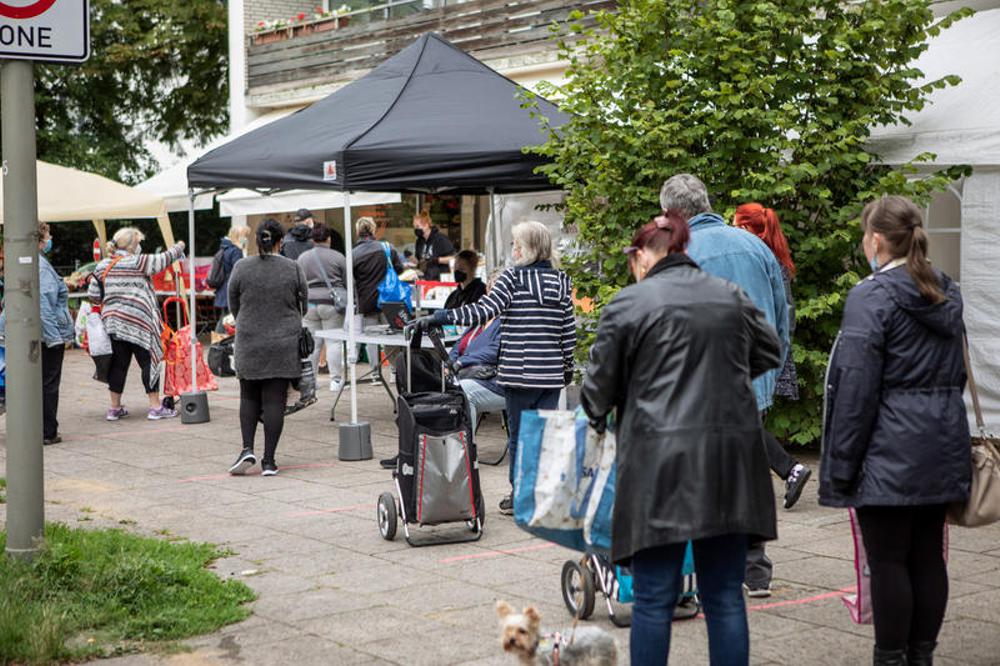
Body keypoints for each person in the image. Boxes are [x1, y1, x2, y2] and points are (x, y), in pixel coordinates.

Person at [581, 210, 781, 666]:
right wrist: (721, 379)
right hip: (729, 461)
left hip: (657, 463)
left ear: (643, 256)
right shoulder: (729, 296)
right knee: (725, 595)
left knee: (653, 597)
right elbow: (769, 349)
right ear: (684, 250)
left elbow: (596, 393)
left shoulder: (629, 304)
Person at [819, 196, 969, 666]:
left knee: (888, 562)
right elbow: (957, 374)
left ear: (877, 239)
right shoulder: (944, 289)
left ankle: (890, 657)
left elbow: (855, 389)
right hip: (940, 443)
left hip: (887, 450)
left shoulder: (871, 296)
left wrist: (841, 466)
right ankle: (920, 655)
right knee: (927, 557)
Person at [660, 174, 789, 599]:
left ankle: (710, 567)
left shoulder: (678, 252)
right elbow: (781, 316)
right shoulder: (755, 246)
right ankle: (755, 569)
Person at [418, 221, 575, 515]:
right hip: (551, 374)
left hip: (518, 373)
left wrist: (440, 316)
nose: (513, 250)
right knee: (544, 435)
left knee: (519, 436)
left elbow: (482, 310)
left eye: (516, 244)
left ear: (527, 248)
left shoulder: (512, 279)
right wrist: (567, 365)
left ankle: (521, 497)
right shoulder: (561, 281)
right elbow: (568, 331)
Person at [733, 203, 812, 509]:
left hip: (756, 350)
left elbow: (782, 312)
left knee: (743, 422)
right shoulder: (772, 258)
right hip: (769, 348)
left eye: (735, 223)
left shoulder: (756, 259)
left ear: (745, 228)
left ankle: (791, 469)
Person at [227, 218, 308, 477]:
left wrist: (247, 320)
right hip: (283, 343)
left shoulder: (241, 267)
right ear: (280, 241)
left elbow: (233, 304)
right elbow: (303, 304)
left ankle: (246, 448)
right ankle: (269, 461)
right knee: (275, 400)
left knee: (248, 396)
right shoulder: (293, 268)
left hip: (249, 340)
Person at [88, 228, 185, 421]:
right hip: (140, 323)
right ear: (134, 245)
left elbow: (93, 296)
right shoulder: (139, 262)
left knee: (119, 365)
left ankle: (114, 408)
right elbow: (163, 259)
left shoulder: (103, 266)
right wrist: (179, 246)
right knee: (149, 362)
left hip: (114, 324)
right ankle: (155, 406)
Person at [0, 222, 75, 444]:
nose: (51, 239)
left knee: (29, 382)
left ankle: (29, 428)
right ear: (41, 241)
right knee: (48, 384)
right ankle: (47, 431)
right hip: (45, 335)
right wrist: (55, 339)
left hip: (21, 332)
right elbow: (43, 305)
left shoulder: (19, 263)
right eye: (49, 236)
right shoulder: (40, 267)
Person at [448, 270, 505, 429]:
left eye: (499, 290)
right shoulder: (481, 318)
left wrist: (461, 361)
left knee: (464, 393)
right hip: (464, 372)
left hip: (492, 379)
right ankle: (443, 444)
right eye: (492, 288)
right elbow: (459, 344)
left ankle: (465, 449)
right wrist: (450, 362)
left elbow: (494, 350)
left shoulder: (507, 319)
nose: (494, 294)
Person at [352, 216, 405, 374]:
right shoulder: (387, 248)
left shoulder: (353, 253)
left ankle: (375, 373)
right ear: (373, 230)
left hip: (366, 301)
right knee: (394, 335)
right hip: (390, 299)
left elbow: (350, 279)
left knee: (371, 338)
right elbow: (400, 270)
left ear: (357, 232)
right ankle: (395, 370)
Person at [298, 222, 347, 392]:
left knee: (313, 344)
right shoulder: (338, 257)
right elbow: (348, 281)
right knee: (334, 342)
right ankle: (336, 381)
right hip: (332, 304)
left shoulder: (303, 258)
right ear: (328, 238)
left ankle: (311, 381)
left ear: (313, 239)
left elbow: (298, 282)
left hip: (310, 304)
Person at [213, 225, 248, 316]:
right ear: (238, 237)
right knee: (227, 320)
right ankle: (216, 331)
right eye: (245, 236)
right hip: (231, 290)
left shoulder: (225, 248)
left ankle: (216, 331)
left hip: (223, 290)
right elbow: (239, 271)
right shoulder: (236, 251)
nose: (246, 239)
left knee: (225, 319)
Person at [412, 210, 455, 281]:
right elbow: (420, 260)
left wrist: (437, 260)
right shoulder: (419, 241)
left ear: (426, 225)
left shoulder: (440, 239)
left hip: (440, 279)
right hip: (426, 278)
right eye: (414, 227)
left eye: (417, 226)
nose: (416, 229)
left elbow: (453, 259)